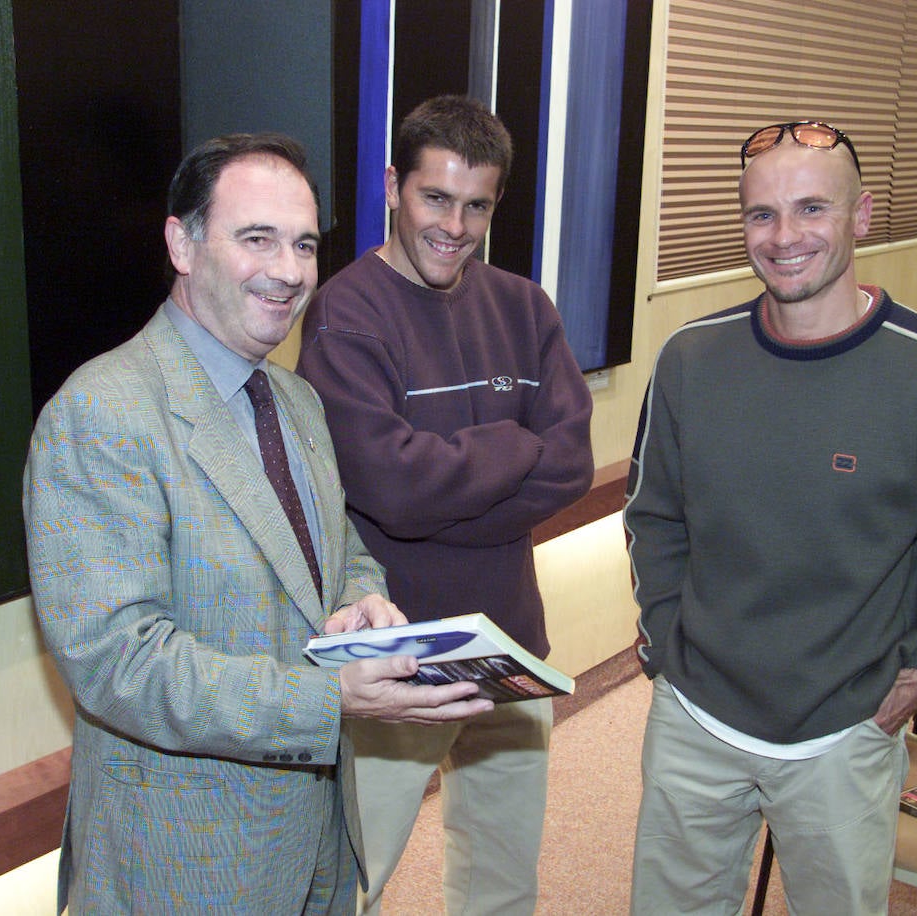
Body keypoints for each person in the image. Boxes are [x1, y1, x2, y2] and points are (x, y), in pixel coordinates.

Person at [23, 133, 494, 916]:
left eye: (305, 244)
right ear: (182, 242)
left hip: (314, 838)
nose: (289, 270)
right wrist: (330, 698)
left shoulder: (296, 401)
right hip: (183, 861)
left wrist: (362, 602)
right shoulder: (101, 413)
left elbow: (342, 553)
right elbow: (120, 664)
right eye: (257, 239)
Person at [622, 120, 917, 914]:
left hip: (847, 731)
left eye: (812, 209)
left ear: (862, 215)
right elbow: (655, 517)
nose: (784, 237)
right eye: (761, 215)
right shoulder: (690, 360)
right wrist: (663, 643)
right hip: (695, 715)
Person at [296, 95, 594, 914]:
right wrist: (512, 445)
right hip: (399, 658)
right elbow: (387, 487)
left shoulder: (525, 307)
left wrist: (438, 496)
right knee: (357, 876)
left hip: (511, 650)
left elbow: (570, 465)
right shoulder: (346, 313)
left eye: (477, 206)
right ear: (394, 186)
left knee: (503, 877)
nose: (454, 226)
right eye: (435, 198)